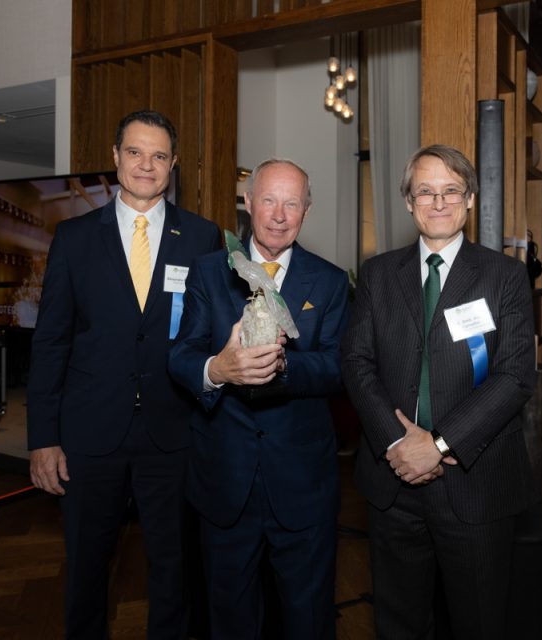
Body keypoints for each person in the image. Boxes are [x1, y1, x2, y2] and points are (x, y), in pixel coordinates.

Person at [26, 110, 222, 639]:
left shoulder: (203, 238)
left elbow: (211, 337)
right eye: (135, 152)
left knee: (174, 568)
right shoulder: (74, 237)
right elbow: (50, 343)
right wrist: (43, 437)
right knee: (87, 568)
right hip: (90, 433)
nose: (146, 165)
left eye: (159, 155)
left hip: (173, 432)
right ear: (115, 158)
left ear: (173, 165)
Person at [341, 144, 537, 639]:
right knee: (399, 623)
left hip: (475, 483)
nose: (439, 202)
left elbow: (515, 376)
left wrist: (439, 444)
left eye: (451, 190)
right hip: (393, 483)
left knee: (478, 624)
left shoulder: (505, 276)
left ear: (470, 198)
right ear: (408, 201)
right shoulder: (379, 274)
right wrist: (397, 442)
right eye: (425, 191)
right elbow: (357, 363)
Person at [168, 159, 348, 640]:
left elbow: (337, 367)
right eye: (269, 199)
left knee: (308, 619)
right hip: (224, 480)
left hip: (303, 486)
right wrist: (217, 369)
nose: (279, 215)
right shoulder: (209, 272)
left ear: (306, 212)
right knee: (229, 618)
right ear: (248, 203)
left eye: (293, 203)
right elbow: (181, 355)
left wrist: (285, 365)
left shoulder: (330, 281)